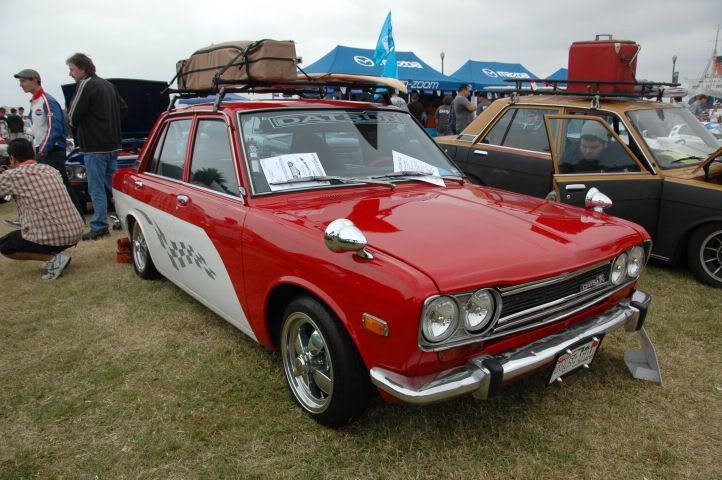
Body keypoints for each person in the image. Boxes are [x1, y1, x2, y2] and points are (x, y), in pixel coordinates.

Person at [0, 138, 84, 280]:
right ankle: (55, 255)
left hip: (54, 235)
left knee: (5, 245)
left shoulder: (12, 176)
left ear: (12, 158)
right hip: (75, 231)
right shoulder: (50, 170)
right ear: (33, 152)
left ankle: (53, 260)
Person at [66, 52, 128, 240]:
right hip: (113, 144)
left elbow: (73, 115)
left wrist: (87, 126)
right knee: (115, 187)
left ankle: (100, 225)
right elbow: (123, 108)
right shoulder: (108, 85)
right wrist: (111, 126)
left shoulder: (85, 84)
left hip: (94, 146)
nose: (70, 73)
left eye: (72, 69)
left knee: (96, 188)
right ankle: (124, 217)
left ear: (82, 68)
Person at [14, 68, 80, 214]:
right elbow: (38, 129)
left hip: (52, 151)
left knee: (62, 186)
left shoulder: (47, 100)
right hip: (43, 151)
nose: (21, 84)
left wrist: (44, 148)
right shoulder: (34, 102)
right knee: (49, 188)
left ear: (34, 80)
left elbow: (55, 126)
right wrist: (35, 147)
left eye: (23, 81)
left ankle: (77, 217)